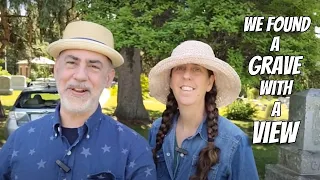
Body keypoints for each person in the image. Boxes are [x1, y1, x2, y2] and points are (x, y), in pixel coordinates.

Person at [0, 21, 156, 180]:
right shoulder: (19, 140)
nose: (80, 75)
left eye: (93, 66)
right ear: (56, 70)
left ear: (108, 78)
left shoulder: (134, 150)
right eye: (72, 63)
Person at [148, 40, 258, 180]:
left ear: (210, 82)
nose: (186, 75)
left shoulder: (235, 142)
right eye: (180, 68)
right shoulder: (157, 129)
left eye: (196, 69)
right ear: (170, 80)